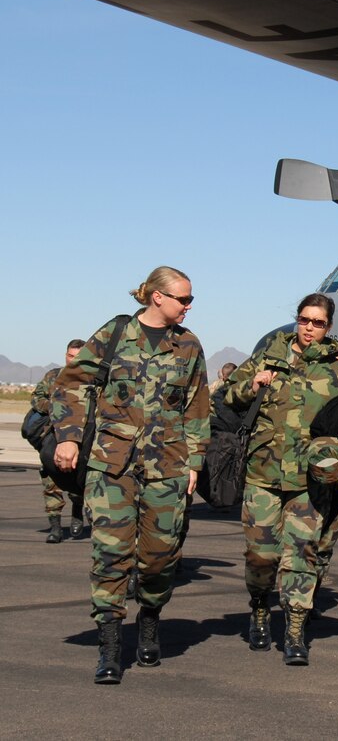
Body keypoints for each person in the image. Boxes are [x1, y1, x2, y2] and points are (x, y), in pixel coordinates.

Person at [51, 266, 210, 684]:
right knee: (109, 556)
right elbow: (71, 384)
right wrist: (68, 437)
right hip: (112, 465)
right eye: (183, 298)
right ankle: (109, 645)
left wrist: (194, 463)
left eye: (191, 299)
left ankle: (150, 617)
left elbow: (196, 407)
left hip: (168, 466)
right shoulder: (115, 334)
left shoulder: (189, 345)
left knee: (160, 558)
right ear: (157, 297)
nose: (189, 306)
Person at [225, 293, 338, 665]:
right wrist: (252, 385)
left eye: (318, 323)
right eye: (304, 320)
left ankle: (295, 630)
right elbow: (228, 396)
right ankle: (260, 609)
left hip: (309, 481)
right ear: (296, 320)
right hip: (262, 474)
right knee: (260, 557)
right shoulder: (267, 357)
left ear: (329, 327)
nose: (310, 328)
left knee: (302, 555)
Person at [30, 339, 86, 543]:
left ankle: (77, 515)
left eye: (78, 356)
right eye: (70, 356)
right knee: (50, 481)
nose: (73, 360)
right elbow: (36, 399)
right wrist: (56, 408)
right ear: (65, 355)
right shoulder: (53, 376)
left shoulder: (91, 380)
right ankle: (55, 527)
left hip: (79, 440)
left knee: (79, 481)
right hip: (52, 437)